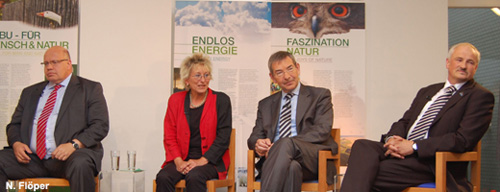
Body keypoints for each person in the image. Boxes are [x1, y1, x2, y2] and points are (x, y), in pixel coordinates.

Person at [340, 42, 495, 192]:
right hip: (403, 155)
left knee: (367, 172)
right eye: (459, 60)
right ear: (448, 63)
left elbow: (462, 140)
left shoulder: (480, 96)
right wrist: (393, 139)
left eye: (470, 62)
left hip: (432, 162)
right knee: (362, 146)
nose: (463, 66)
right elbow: (405, 121)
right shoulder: (428, 90)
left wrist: (414, 146)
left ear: (475, 68)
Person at [0, 46, 109, 192]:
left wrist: (74, 145)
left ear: (69, 64)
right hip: (32, 159)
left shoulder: (89, 89)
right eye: (46, 64)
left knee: (81, 163)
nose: (49, 67)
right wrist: (17, 144)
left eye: (55, 62)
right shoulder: (30, 92)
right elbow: (14, 125)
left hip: (70, 157)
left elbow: (100, 125)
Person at [247, 51, 337, 192]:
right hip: (278, 164)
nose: (287, 76)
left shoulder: (320, 95)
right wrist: (258, 144)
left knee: (286, 143)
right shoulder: (265, 104)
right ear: (272, 77)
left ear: (298, 68)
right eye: (280, 72)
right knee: (291, 168)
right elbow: (253, 138)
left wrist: (283, 145)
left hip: (312, 160)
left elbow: (322, 130)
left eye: (290, 69)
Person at [156, 53, 232, 192]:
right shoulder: (175, 100)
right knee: (163, 177)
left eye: (206, 75)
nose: (203, 80)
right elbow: (169, 136)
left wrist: (201, 161)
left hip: (210, 161)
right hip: (182, 159)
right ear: (186, 80)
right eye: (197, 75)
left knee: (195, 176)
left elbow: (224, 137)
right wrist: (178, 161)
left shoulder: (221, 100)